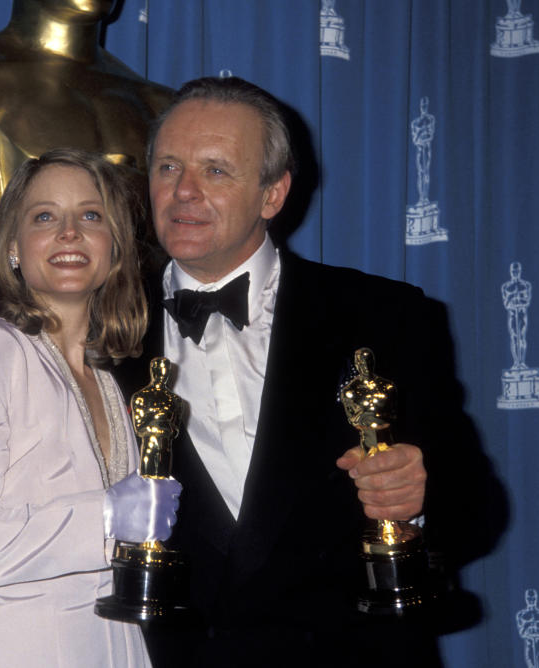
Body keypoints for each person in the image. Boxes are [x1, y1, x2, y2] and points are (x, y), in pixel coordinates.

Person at [112, 76, 504, 667]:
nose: (184, 191)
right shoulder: (102, 330)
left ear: (273, 194)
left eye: (216, 170)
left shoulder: (384, 316)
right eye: (168, 167)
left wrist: (419, 500)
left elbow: (478, 507)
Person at [0, 148, 180, 667]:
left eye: (90, 215)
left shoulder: (107, 377)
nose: (69, 232)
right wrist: (106, 517)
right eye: (44, 217)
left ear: (116, 249)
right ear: (13, 248)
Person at [0, 0, 173, 290]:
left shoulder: (161, 105)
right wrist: (113, 203)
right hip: (18, 329)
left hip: (142, 329)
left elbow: (188, 262)